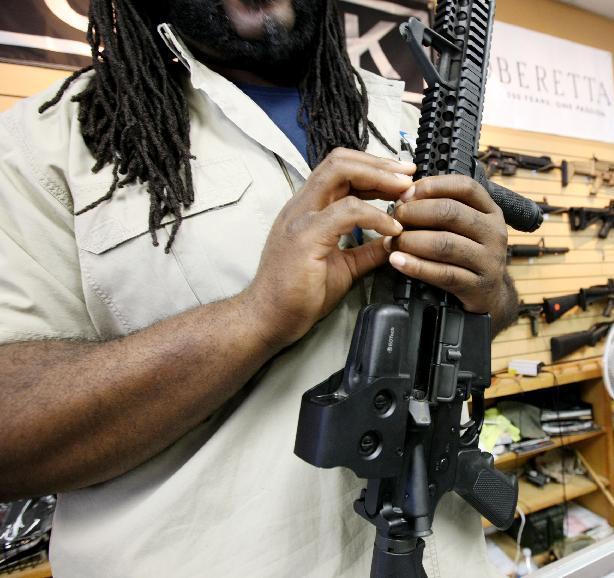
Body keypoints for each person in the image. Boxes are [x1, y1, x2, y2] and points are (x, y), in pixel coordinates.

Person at [0, 1, 516, 576]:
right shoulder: (45, 145)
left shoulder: (400, 115)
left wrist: (489, 290)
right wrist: (256, 317)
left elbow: (490, 312)